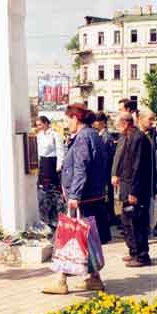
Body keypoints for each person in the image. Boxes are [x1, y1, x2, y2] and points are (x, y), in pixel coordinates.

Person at [42, 104, 108, 295]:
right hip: (92, 194)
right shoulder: (93, 135)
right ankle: (94, 278)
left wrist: (74, 195)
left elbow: (81, 167)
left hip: (82, 197)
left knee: (69, 237)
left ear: (75, 118)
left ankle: (60, 281)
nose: (66, 123)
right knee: (86, 238)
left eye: (67, 119)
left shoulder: (83, 137)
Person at [116, 112, 153, 267]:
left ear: (125, 123)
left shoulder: (138, 138)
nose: (116, 128)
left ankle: (142, 256)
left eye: (117, 124)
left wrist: (133, 191)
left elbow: (137, 167)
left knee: (137, 222)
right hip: (128, 187)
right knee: (127, 220)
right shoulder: (130, 137)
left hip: (135, 189)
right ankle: (134, 251)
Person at [35, 115, 64, 229]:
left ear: (46, 123)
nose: (39, 127)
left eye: (40, 124)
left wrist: (59, 165)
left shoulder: (55, 135)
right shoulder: (39, 136)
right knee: (43, 192)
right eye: (37, 125)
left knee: (53, 191)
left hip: (52, 163)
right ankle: (45, 217)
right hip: (42, 163)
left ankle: (55, 217)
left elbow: (60, 150)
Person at [93, 112, 119, 229]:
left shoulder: (106, 137)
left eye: (96, 121)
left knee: (108, 194)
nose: (94, 124)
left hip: (106, 170)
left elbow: (108, 155)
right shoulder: (98, 135)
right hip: (102, 170)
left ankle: (110, 217)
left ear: (102, 122)